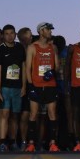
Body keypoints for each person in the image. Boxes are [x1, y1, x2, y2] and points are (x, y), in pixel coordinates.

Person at [25, 22, 61, 152]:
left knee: (52, 113)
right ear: (41, 31)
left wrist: (52, 71)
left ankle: (52, 143)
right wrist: (31, 87)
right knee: (33, 114)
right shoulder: (32, 47)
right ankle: (31, 143)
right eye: (48, 30)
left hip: (50, 85)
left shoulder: (53, 47)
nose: (50, 32)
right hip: (36, 85)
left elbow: (57, 66)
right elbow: (28, 68)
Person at [0, 24, 25, 152]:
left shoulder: (20, 48)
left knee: (15, 115)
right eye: (6, 33)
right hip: (5, 87)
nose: (9, 36)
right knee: (4, 114)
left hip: (17, 87)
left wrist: (24, 86)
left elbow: (23, 67)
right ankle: (2, 142)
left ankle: (13, 142)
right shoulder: (0, 49)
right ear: (3, 35)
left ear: (15, 34)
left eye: (11, 33)